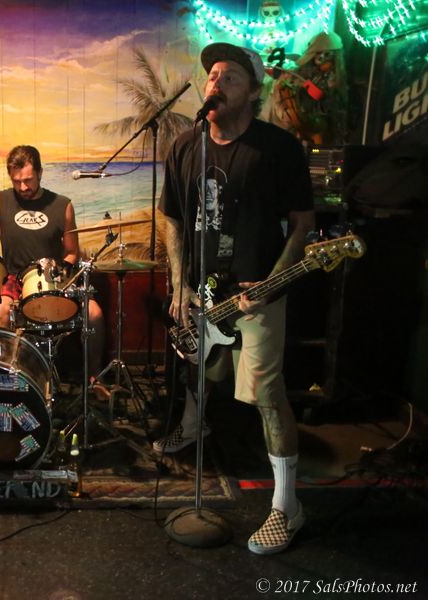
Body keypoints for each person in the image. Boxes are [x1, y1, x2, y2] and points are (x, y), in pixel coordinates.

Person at [157, 43, 315, 555]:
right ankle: (192, 425)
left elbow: (303, 225)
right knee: (202, 367)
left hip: (257, 293)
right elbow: (171, 216)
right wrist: (179, 283)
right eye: (213, 75)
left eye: (231, 78)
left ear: (253, 92)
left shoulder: (278, 148)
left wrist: (271, 283)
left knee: (266, 394)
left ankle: (287, 507)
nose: (216, 83)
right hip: (203, 290)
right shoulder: (186, 146)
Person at [0, 145, 107, 391]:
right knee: (0, 316)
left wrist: (62, 272)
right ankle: (0, 382)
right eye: (17, 181)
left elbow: (71, 251)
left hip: (54, 277)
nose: (23, 187)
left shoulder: (62, 205)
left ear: (40, 173)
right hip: (15, 278)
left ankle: (94, 379)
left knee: (95, 315)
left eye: (28, 180)